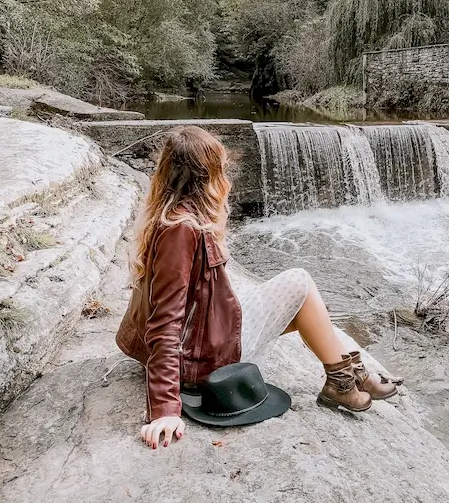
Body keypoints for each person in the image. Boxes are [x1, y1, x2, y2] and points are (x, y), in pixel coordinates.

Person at [115, 126, 398, 449]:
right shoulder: (181, 230)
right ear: (207, 175)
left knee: (301, 305)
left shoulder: (170, 215)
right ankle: (343, 380)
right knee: (300, 282)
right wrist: (165, 408)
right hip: (196, 361)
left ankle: (347, 377)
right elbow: (165, 320)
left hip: (200, 340)